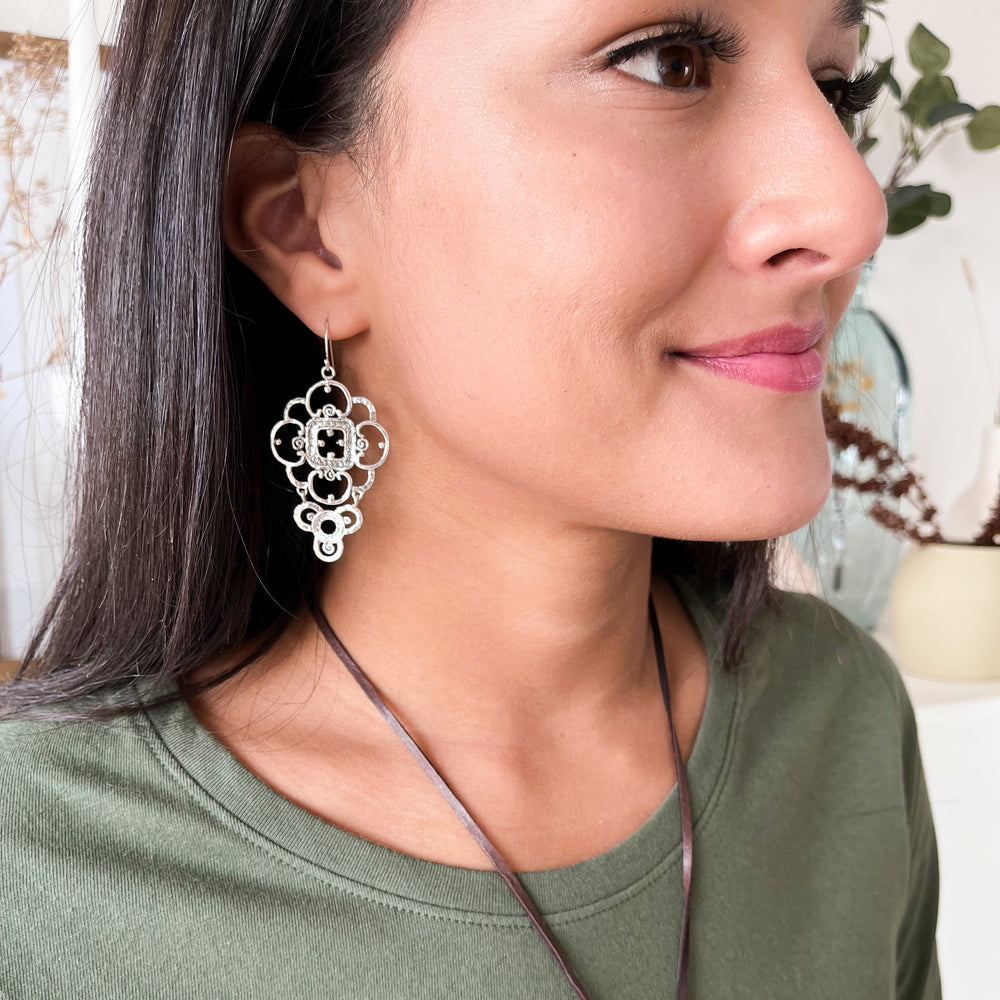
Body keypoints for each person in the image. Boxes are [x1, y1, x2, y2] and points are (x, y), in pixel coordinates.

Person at [0, 0, 942, 996]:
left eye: (834, 87)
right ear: (305, 228)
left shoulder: (841, 722)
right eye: (667, 63)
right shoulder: (38, 884)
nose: (852, 211)